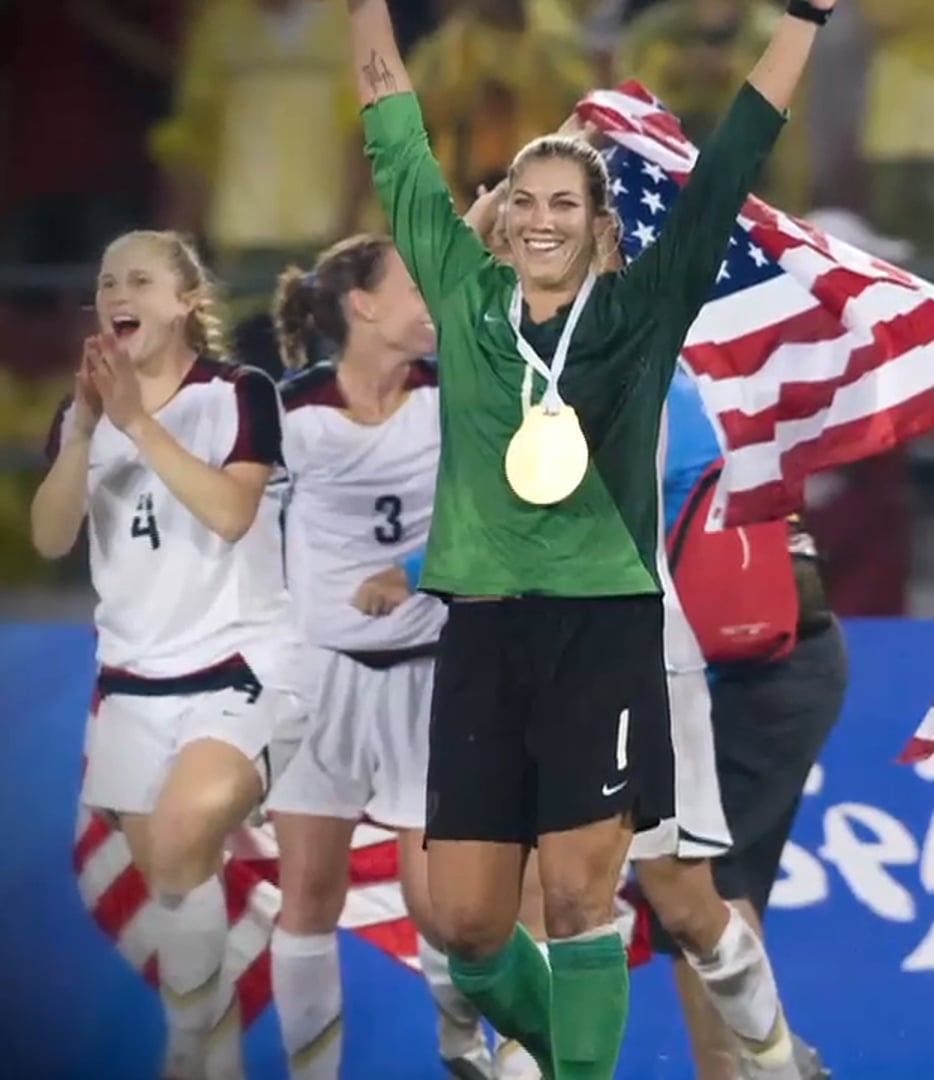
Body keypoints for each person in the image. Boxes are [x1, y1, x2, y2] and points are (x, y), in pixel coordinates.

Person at [348, 0, 833, 1076]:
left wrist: (804, 19)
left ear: (599, 225)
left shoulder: (637, 316)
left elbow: (733, 161)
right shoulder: (465, 300)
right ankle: (565, 1052)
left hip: (602, 634)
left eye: (564, 201)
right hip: (482, 640)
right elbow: (393, 132)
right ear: (501, 219)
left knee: (578, 902)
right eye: (523, 199)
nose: (540, 218)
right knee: (469, 932)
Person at [29, 229, 303, 1078]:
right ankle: (213, 1054)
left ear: (186, 302)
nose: (118, 292)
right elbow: (49, 538)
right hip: (133, 687)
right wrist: (85, 430)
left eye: (141, 279)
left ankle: (189, 1047)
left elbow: (231, 512)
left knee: (184, 832)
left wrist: (138, 424)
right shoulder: (83, 416)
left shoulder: (240, 394)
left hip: (243, 670)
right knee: (177, 884)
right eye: (107, 280)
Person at [265, 233, 521, 1080]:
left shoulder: (455, 392)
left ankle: (459, 1040)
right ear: (363, 306)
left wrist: (410, 574)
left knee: (445, 909)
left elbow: (507, 511)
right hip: (323, 678)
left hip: (433, 675)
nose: (432, 301)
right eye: (414, 287)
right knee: (308, 894)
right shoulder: (287, 415)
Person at [645, 367, 846, 1080]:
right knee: (711, 889)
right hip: (779, 657)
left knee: (692, 886)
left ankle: (762, 1069)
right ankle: (764, 1067)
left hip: (751, 674)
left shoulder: (653, 392)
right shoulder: (716, 376)